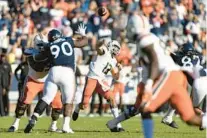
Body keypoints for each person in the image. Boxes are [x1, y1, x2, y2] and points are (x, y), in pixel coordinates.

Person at [106, 14, 207, 138]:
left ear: (133, 27)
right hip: (175, 76)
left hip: (167, 75)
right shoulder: (151, 37)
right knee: (190, 118)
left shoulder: (144, 39)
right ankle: (113, 123)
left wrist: (148, 84)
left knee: (145, 107)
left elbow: (154, 61)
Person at [24, 24, 88, 133]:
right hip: (67, 71)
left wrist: (36, 50)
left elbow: (37, 57)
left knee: (46, 98)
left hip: (54, 71)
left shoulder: (48, 46)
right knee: (68, 100)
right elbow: (83, 43)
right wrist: (83, 34)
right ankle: (66, 126)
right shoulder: (67, 40)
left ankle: (34, 118)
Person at [8, 34, 63, 132]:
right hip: (33, 80)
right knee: (24, 102)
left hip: (49, 81)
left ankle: (53, 125)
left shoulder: (51, 51)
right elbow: (39, 65)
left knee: (58, 104)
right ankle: (15, 123)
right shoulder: (30, 51)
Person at [72, 40, 124, 132]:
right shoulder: (104, 51)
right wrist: (99, 43)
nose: (117, 50)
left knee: (112, 98)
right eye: (116, 47)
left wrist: (119, 70)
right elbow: (98, 48)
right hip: (92, 77)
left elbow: (115, 77)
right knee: (84, 105)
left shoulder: (114, 61)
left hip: (101, 80)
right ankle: (77, 107)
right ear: (111, 46)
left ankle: (118, 123)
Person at [162, 42, 206, 129]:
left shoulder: (177, 57)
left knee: (192, 108)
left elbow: (168, 53)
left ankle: (203, 121)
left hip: (198, 83)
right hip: (202, 79)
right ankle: (168, 118)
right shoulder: (199, 57)